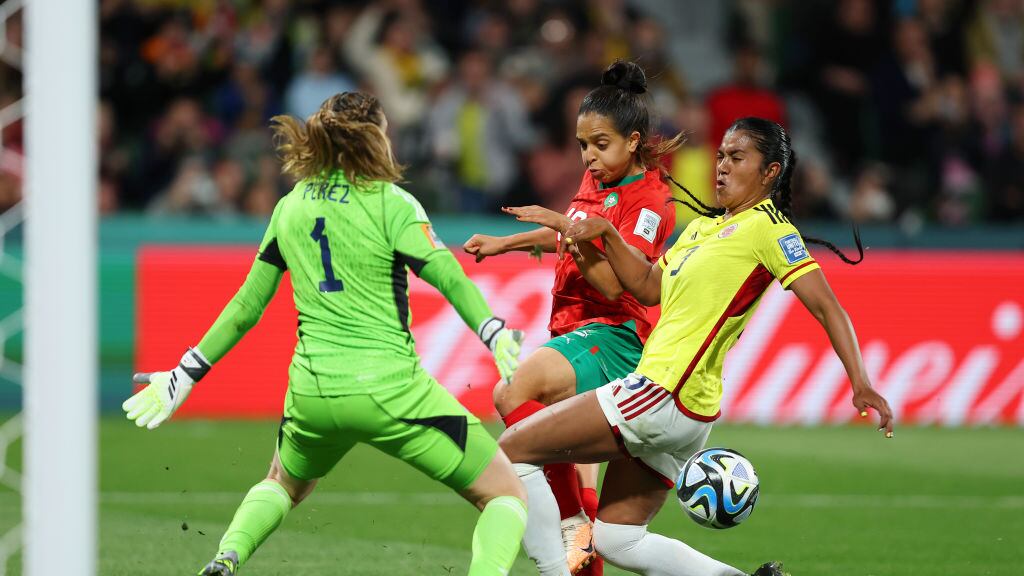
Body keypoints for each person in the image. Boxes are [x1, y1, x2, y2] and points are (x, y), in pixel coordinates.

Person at [122, 91, 529, 576]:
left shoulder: (290, 205)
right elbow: (446, 273)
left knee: (282, 482)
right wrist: (493, 330)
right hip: (389, 391)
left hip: (312, 394)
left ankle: (226, 558)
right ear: (376, 138)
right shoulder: (392, 204)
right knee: (505, 493)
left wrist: (186, 372)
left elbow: (246, 307)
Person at [497, 117, 895, 576]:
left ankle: (554, 572)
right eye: (722, 155)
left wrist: (860, 381)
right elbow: (646, 287)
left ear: (769, 173)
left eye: (737, 157)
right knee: (617, 538)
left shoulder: (769, 229)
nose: (722, 166)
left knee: (511, 451)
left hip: (659, 394)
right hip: (688, 410)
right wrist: (605, 233)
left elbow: (827, 307)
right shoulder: (703, 227)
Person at [463, 60, 680, 575]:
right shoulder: (595, 176)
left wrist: (565, 224)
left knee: (513, 393)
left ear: (633, 141)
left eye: (599, 145)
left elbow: (613, 284)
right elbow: (572, 231)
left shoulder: (650, 202)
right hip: (574, 331)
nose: (589, 156)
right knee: (545, 426)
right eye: (583, 145)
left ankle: (569, 518)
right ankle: (579, 524)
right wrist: (507, 243)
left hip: (617, 336)